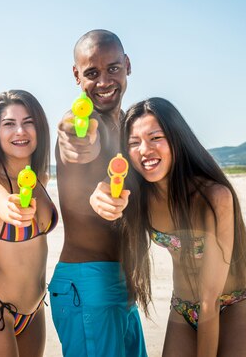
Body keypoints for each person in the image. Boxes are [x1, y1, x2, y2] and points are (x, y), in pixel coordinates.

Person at [92, 97, 246, 357]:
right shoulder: (139, 197)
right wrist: (97, 196)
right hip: (183, 306)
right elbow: (106, 188)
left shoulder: (214, 197)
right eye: (134, 143)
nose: (144, 150)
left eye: (155, 137)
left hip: (237, 301)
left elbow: (209, 301)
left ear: (177, 138)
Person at [48, 29, 147, 357]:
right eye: (91, 73)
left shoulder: (126, 127)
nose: (104, 81)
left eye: (113, 69)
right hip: (88, 286)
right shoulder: (86, 120)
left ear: (128, 65)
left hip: (119, 287)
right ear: (76, 75)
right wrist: (73, 135)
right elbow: (78, 132)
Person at [0, 89, 54, 356]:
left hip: (35, 310)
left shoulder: (40, 179)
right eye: (9, 124)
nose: (20, 131)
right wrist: (8, 206)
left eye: (28, 122)